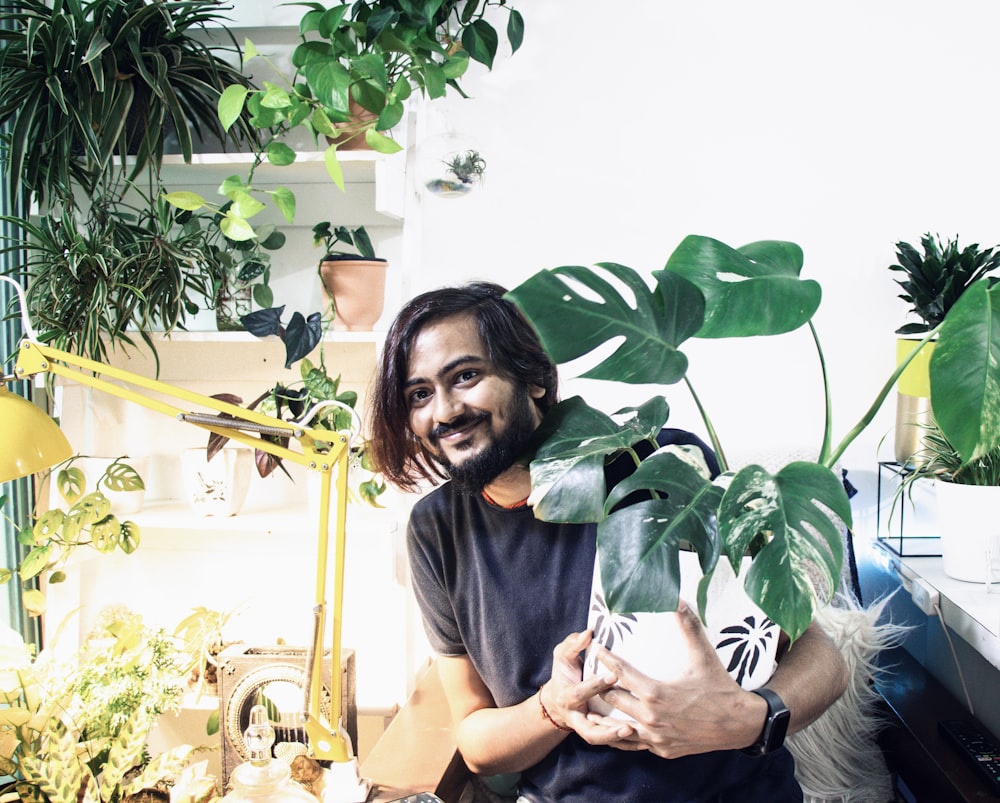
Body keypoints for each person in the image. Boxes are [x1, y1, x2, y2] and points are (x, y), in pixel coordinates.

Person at [368, 282, 848, 802]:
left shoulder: (662, 466)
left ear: (532, 378)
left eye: (466, 376)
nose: (443, 412)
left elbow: (819, 655)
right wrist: (553, 708)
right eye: (420, 394)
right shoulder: (436, 529)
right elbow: (476, 739)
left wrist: (747, 719)